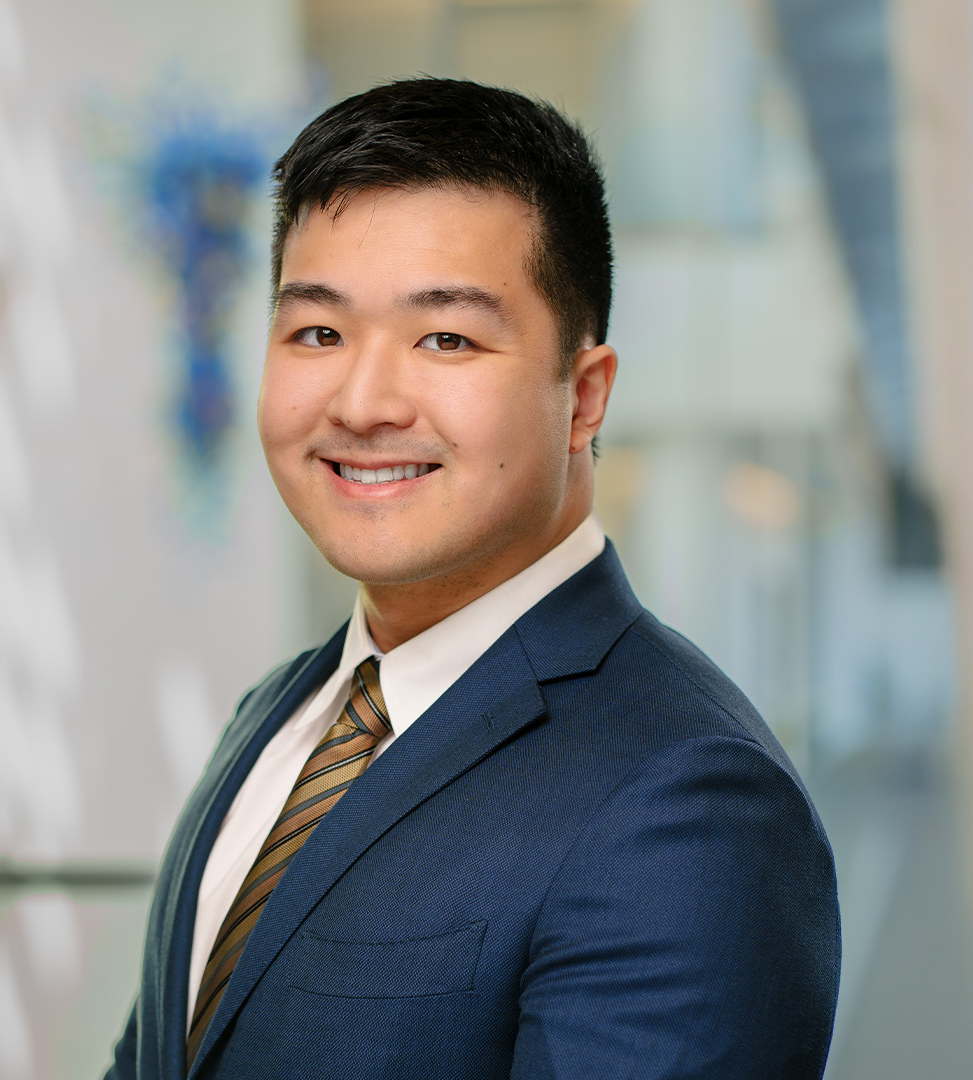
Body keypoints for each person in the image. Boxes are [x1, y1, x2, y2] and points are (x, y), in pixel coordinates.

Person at [106, 78, 840, 1080]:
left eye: (445, 338)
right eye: (318, 331)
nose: (363, 402)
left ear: (582, 397)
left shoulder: (688, 802)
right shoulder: (279, 716)